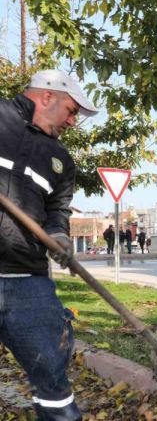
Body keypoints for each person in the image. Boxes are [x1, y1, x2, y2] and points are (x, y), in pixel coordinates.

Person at [0, 69, 98, 420]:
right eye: (71, 111)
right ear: (46, 97)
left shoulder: (61, 160)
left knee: (53, 375)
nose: (73, 121)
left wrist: (59, 238)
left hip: (28, 282)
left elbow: (57, 212)